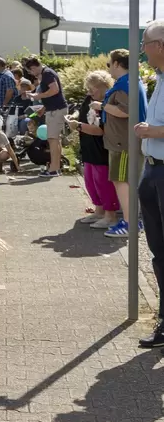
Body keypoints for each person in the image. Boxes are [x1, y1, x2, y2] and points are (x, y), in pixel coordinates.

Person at [92, 49, 147, 237]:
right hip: (122, 142)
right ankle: (131, 221)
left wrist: (103, 106)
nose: (109, 69)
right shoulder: (129, 82)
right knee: (122, 180)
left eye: (109, 64)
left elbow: (126, 111)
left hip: (123, 143)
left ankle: (131, 223)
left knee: (122, 181)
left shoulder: (125, 84)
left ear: (117, 63)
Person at [135, 19, 164, 348]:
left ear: (161, 45)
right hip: (152, 172)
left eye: (146, 42)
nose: (143, 49)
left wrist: (151, 131)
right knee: (158, 252)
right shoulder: (157, 79)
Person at [66, 70, 119, 230]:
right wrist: (74, 117)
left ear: (103, 86)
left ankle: (111, 215)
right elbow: (81, 112)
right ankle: (99, 210)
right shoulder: (89, 99)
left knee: (103, 182)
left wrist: (78, 126)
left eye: (92, 88)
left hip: (102, 148)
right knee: (90, 181)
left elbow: (100, 130)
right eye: (88, 88)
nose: (89, 92)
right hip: (88, 147)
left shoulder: (108, 103)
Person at [24, 57, 68, 178]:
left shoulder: (47, 73)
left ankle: (53, 169)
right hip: (54, 109)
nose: (31, 74)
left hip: (56, 110)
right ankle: (55, 167)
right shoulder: (47, 73)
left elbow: (54, 90)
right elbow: (53, 93)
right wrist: (43, 108)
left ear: (33, 68)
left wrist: (38, 96)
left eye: (30, 71)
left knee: (52, 139)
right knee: (54, 140)